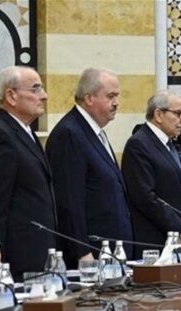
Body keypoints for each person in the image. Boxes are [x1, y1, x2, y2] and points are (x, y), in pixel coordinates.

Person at [46, 68, 133, 268]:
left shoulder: (94, 131)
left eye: (117, 96)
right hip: (91, 256)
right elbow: (68, 200)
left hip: (111, 252)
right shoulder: (69, 134)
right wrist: (82, 251)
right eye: (110, 96)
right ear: (89, 98)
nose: (116, 103)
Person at [0, 66, 56, 279]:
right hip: (17, 262)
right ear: (11, 96)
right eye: (35, 89)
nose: (44, 95)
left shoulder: (25, 131)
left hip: (41, 255)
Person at [122, 91, 181, 257]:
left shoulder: (171, 145)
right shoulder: (139, 144)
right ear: (158, 115)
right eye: (179, 114)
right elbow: (144, 197)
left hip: (180, 243)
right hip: (154, 244)